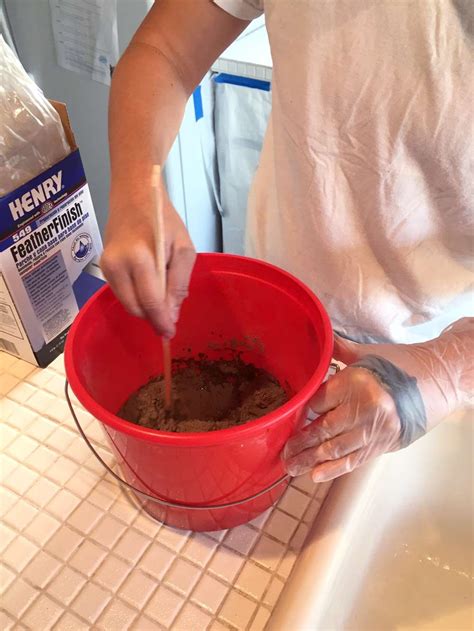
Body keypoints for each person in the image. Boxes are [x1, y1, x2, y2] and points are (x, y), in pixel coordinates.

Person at [101, 0, 473, 483]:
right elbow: (164, 50)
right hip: (273, 314)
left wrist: (447, 370)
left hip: (421, 379)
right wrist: (137, 188)